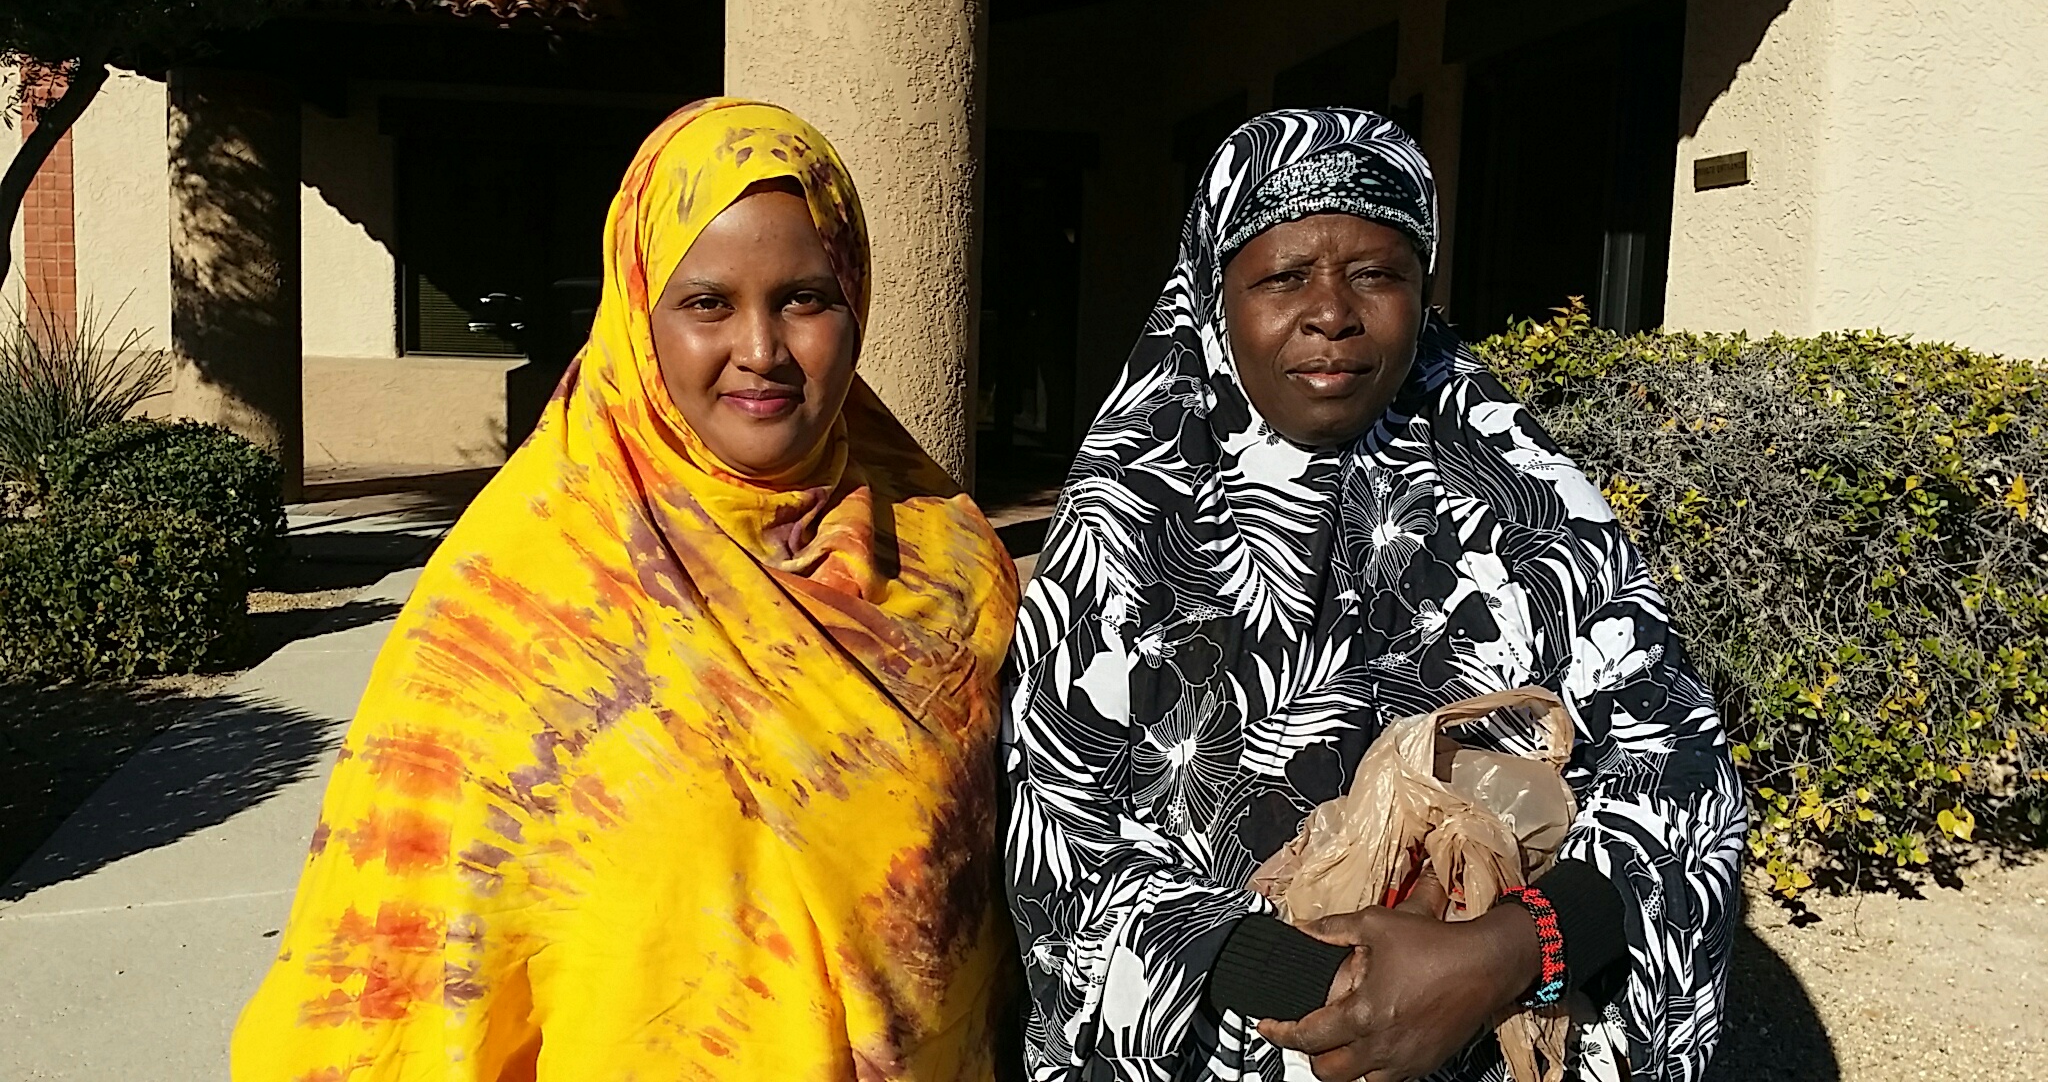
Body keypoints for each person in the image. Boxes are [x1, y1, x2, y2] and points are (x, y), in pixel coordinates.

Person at [232, 100, 1020, 1081]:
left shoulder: (950, 566)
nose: (762, 350)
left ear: (855, 300)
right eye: (705, 304)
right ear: (636, 314)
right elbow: (381, 996)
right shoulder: (510, 609)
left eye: (804, 298)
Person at [1002, 108, 1744, 1082]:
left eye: (1375, 273)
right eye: (1281, 276)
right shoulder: (1126, 530)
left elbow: (1680, 771)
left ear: (1421, 286)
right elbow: (1060, 828)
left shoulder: (1530, 512)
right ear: (1212, 297)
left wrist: (1507, 953)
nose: (1330, 313)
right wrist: (1306, 986)